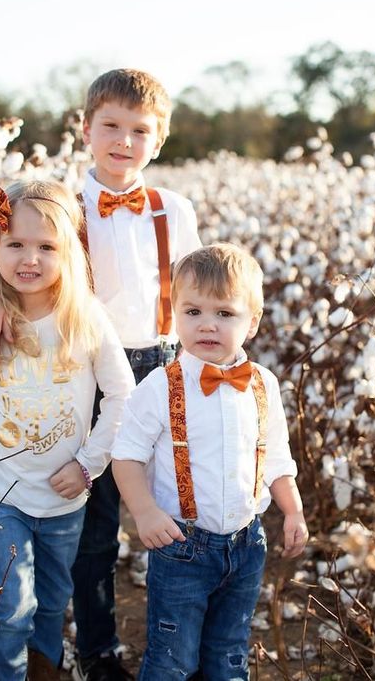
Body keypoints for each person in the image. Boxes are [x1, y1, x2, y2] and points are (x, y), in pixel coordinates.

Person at [0, 69, 201, 680]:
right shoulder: (61, 204)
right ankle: (98, 651)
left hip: (161, 363)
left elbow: (196, 291)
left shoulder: (174, 209)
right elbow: (14, 256)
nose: (124, 141)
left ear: (160, 138)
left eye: (139, 130)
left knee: (171, 508)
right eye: (111, 127)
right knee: (93, 526)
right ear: (86, 130)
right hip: (84, 367)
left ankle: (181, 649)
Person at [0, 181, 134, 681]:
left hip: (63, 496)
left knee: (52, 604)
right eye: (15, 244)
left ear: (68, 251)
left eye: (46, 247)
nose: (29, 258)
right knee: (8, 611)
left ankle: (44, 671)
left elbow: (121, 394)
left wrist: (88, 464)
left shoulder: (85, 318)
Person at [112, 243, 309, 681]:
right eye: (193, 311)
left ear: (252, 322)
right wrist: (144, 512)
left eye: (224, 313)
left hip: (246, 545)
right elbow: (125, 455)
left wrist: (292, 510)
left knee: (229, 654)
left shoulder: (263, 385)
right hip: (181, 546)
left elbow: (276, 456)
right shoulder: (160, 387)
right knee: (172, 656)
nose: (207, 324)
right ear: (174, 315)